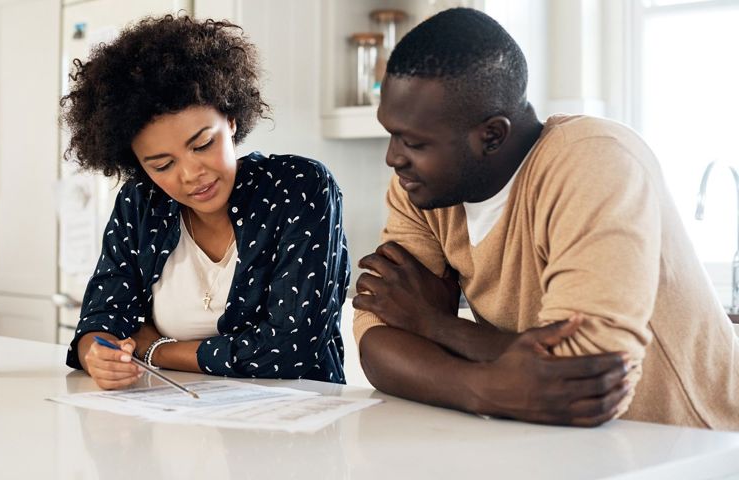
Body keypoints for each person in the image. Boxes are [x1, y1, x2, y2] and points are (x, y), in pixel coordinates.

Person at [353, 7, 739, 429]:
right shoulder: (420, 188)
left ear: (492, 135)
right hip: (567, 450)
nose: (393, 158)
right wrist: (483, 388)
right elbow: (377, 336)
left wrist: (435, 325)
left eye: (413, 142)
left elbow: (586, 372)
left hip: (696, 447)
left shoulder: (594, 160)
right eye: (391, 134)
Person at [61, 15, 351, 390]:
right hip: (166, 426)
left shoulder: (298, 188)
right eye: (162, 164)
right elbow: (101, 320)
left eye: (202, 145)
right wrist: (97, 355)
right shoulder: (139, 203)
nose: (190, 174)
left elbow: (289, 349)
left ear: (230, 118)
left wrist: (155, 350)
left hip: (290, 430)